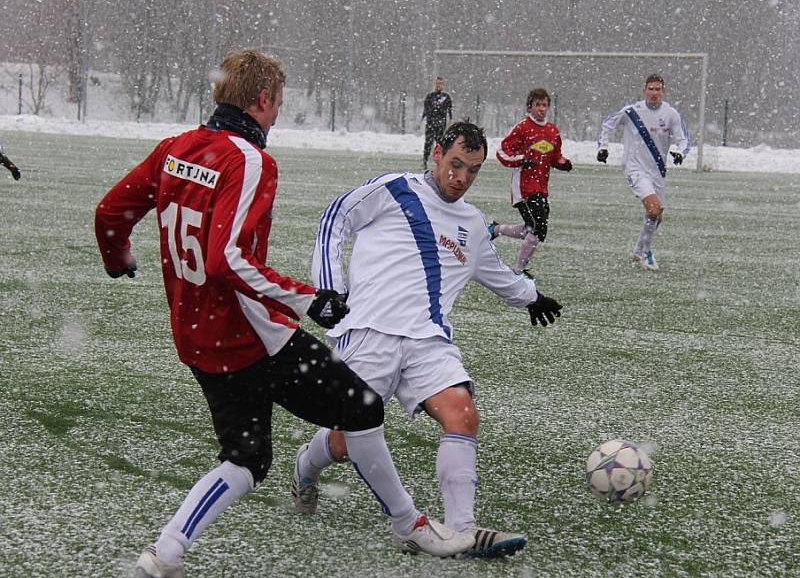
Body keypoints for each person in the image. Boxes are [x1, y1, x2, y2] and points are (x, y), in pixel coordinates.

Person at [94, 49, 473, 578]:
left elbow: (111, 212)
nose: (277, 114)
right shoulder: (249, 159)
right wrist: (308, 298)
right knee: (361, 407)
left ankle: (164, 555)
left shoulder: (174, 148)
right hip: (254, 335)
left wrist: (119, 258)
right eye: (278, 103)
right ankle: (408, 524)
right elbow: (227, 257)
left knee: (247, 458)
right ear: (264, 100)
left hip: (196, 334)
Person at [292, 122, 563, 559]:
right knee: (342, 444)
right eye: (455, 164)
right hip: (368, 331)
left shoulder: (472, 224)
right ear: (437, 153)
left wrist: (532, 297)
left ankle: (462, 529)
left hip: (428, 342)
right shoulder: (393, 189)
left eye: (472, 171)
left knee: (463, 415)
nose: (461, 178)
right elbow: (336, 217)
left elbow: (497, 275)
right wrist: (329, 287)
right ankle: (306, 466)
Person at [596, 74, 690, 271]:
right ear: (644, 90)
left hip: (658, 171)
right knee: (653, 209)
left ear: (663, 92)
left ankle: (638, 250)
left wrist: (680, 153)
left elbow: (684, 140)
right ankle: (646, 254)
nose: (654, 93)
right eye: (651, 89)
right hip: (635, 168)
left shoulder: (671, 114)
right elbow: (608, 124)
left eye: (658, 89)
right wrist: (602, 147)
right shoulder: (632, 111)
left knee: (657, 215)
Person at [492, 88, 573, 274]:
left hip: (541, 188)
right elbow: (502, 152)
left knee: (535, 229)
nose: (541, 109)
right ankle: (518, 270)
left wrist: (563, 163)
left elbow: (554, 156)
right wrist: (522, 159)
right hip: (524, 187)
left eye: (544, 105)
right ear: (530, 107)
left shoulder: (553, 131)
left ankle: (496, 230)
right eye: (537, 105)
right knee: (538, 227)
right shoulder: (522, 127)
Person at [421, 76, 453, 169]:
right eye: (437, 83)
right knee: (428, 142)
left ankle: (440, 162)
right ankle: (425, 161)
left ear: (443, 85)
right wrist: (421, 121)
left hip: (441, 124)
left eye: (441, 84)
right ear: (434, 84)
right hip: (430, 123)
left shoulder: (446, 97)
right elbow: (425, 110)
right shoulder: (429, 96)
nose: (439, 85)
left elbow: (450, 110)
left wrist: (450, 121)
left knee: (440, 144)